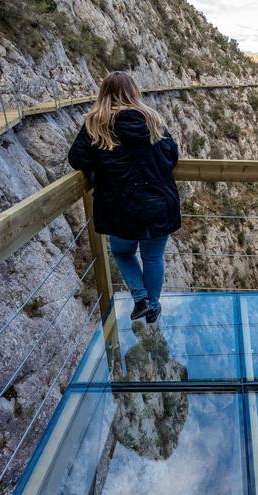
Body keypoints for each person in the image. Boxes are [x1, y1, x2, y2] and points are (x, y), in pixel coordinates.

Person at [68, 72, 180, 324]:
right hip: (158, 203)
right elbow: (172, 156)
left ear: (103, 93)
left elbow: (77, 159)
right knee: (153, 256)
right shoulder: (152, 119)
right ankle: (152, 305)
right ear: (134, 91)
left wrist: (102, 163)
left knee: (122, 252)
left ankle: (140, 298)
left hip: (120, 207)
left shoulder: (95, 123)